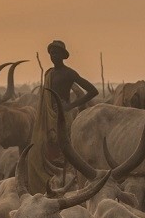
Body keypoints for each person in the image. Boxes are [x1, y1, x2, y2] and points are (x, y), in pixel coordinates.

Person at [27, 40, 100, 194]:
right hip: (48, 115)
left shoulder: (69, 73)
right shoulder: (49, 74)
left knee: (64, 149)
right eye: (51, 53)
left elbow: (93, 91)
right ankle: (46, 187)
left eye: (56, 52)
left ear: (63, 55)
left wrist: (71, 106)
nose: (53, 55)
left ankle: (68, 186)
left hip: (63, 117)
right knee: (45, 149)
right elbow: (45, 98)